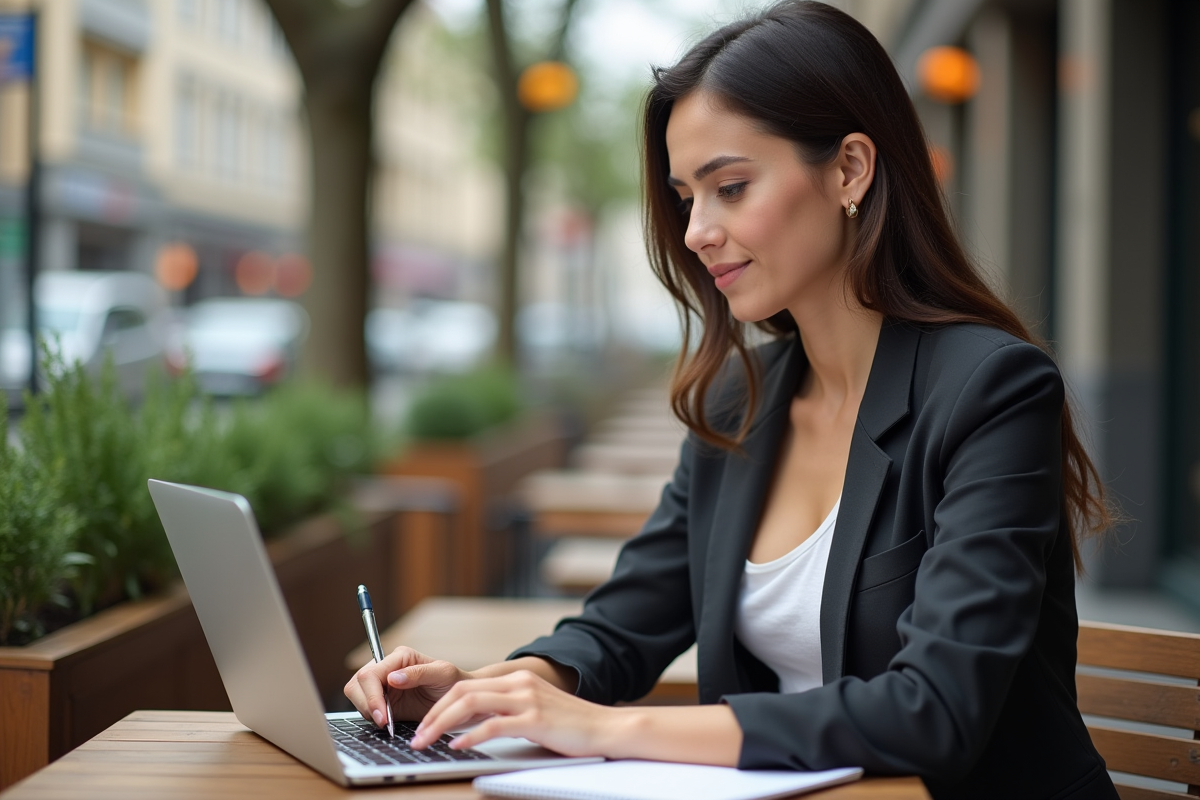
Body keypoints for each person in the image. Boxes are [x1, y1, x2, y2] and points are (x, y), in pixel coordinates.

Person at [346, 3, 1119, 797]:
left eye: (731, 187)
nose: (695, 232)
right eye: (687, 197)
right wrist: (491, 693)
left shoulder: (991, 389)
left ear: (850, 170)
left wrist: (606, 730)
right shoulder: (738, 400)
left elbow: (935, 711)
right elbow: (625, 623)